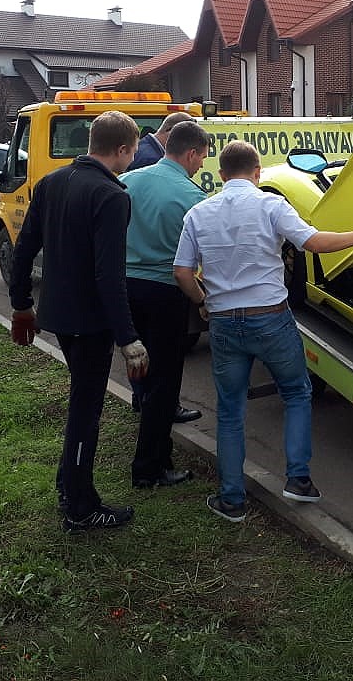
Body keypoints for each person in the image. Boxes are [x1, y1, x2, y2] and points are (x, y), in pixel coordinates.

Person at [174, 140, 353, 523]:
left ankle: (232, 500)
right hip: (271, 318)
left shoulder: (198, 213)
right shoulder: (271, 205)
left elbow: (182, 273)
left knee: (230, 410)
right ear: (257, 174)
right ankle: (299, 481)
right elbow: (314, 243)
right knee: (296, 392)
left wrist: (203, 302)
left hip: (224, 321)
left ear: (222, 176)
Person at [8, 110, 149, 531]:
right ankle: (81, 508)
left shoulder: (52, 182)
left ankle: (68, 483)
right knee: (86, 412)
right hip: (90, 322)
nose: (133, 157)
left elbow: (24, 247)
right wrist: (129, 339)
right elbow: (110, 275)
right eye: (134, 150)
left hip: (59, 316)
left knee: (81, 403)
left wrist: (21, 304)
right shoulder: (111, 195)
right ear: (122, 149)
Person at [121, 120, 211, 490]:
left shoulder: (128, 181)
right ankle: (150, 467)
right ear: (190, 153)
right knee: (165, 382)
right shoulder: (192, 198)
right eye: (202, 158)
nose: (201, 166)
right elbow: (200, 259)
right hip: (164, 292)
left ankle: (141, 411)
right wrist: (203, 299)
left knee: (139, 363)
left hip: (124, 288)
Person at [128, 111, 196, 171]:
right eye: (185, 138)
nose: (186, 145)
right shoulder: (151, 159)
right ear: (171, 132)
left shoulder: (145, 146)